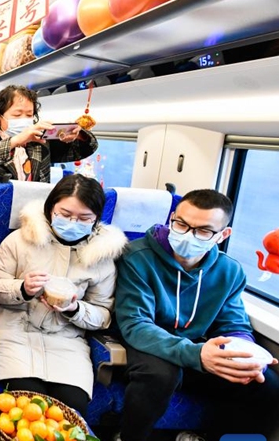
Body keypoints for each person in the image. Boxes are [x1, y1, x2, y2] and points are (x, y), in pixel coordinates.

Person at [0, 85, 98, 379]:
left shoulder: (39, 144)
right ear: (0, 116)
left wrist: (78, 135)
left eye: (29, 113)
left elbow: (84, 149)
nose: (25, 118)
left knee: (20, 288)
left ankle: (13, 338)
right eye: (17, 113)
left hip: (29, 231)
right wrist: (14, 141)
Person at [115, 189, 279, 441]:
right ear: (171, 219)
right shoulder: (137, 257)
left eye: (203, 231)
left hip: (197, 347)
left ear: (223, 235)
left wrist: (245, 355)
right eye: (181, 224)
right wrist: (197, 355)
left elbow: (233, 324)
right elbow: (136, 324)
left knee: (265, 385)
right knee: (160, 375)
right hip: (149, 342)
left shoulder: (229, 270)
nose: (188, 235)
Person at [0, 174, 127, 415]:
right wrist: (22, 289)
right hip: (15, 334)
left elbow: (103, 315)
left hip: (67, 342)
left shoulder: (101, 259)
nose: (73, 223)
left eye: (84, 218)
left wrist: (75, 309)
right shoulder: (20, 240)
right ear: (51, 209)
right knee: (28, 408)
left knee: (70, 412)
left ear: (96, 220)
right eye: (65, 214)